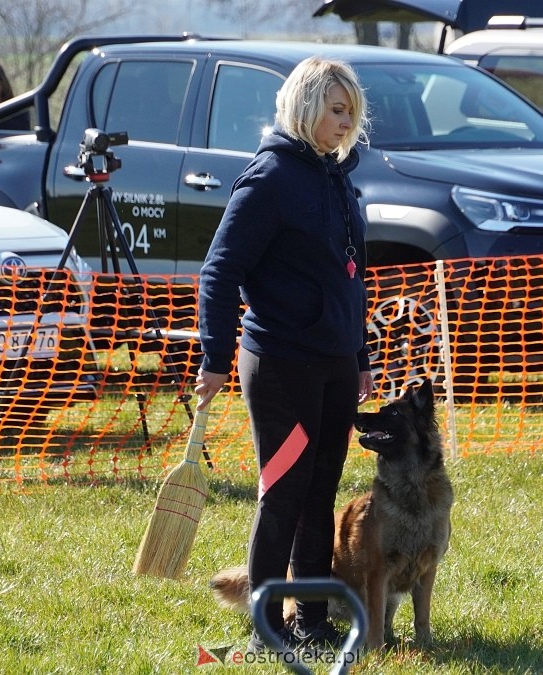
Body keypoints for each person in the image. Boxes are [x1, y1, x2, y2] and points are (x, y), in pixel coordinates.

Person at [195, 56, 374, 653]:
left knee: (321, 491)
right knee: (284, 495)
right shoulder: (269, 178)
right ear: (305, 107)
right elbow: (219, 273)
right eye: (336, 109)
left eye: (352, 111)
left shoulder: (338, 175)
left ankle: (312, 620)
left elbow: (353, 276)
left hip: (333, 364)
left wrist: (361, 354)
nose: (347, 122)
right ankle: (267, 626)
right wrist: (215, 357)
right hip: (279, 367)